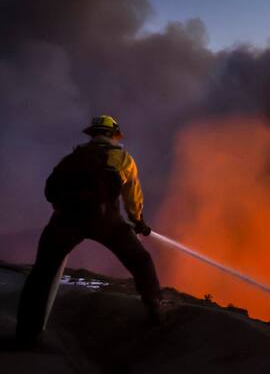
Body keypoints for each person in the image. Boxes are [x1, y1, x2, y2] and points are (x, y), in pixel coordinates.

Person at [16, 115, 161, 346]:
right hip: (106, 221)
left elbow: (51, 189)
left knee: (41, 275)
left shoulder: (71, 158)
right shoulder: (122, 158)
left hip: (64, 221)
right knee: (141, 261)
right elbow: (133, 197)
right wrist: (137, 221)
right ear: (115, 135)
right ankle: (155, 310)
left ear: (92, 134)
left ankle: (26, 335)